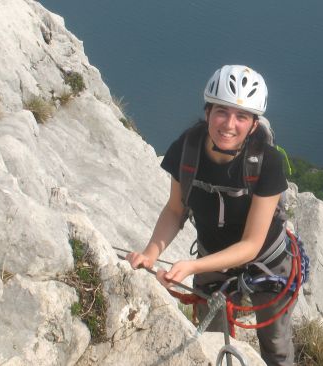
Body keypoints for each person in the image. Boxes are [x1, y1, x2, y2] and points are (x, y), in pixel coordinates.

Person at [127, 65, 294, 366]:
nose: (229, 124)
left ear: (254, 124)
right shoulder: (187, 150)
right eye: (221, 112)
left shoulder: (266, 163)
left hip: (266, 262)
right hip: (212, 257)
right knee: (212, 342)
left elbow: (251, 244)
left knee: (277, 347)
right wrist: (151, 253)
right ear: (207, 112)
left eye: (241, 116)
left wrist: (193, 266)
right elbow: (175, 210)